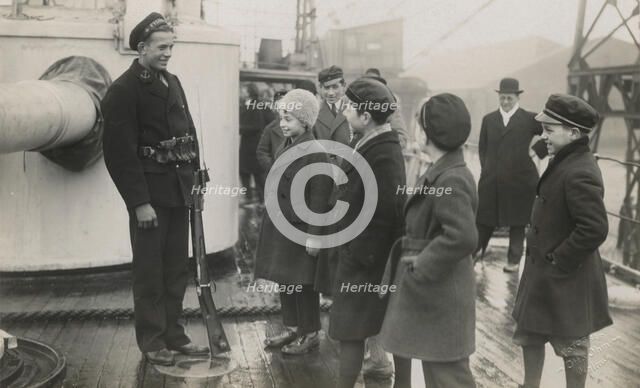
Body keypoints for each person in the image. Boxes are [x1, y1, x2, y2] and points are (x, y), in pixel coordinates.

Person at [101, 12, 208, 366]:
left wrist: (197, 183)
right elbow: (119, 155)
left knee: (176, 267)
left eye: (171, 47)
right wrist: (139, 203)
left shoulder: (171, 81)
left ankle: (174, 335)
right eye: (162, 47)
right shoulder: (123, 90)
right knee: (150, 271)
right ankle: (152, 341)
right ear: (142, 48)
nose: (167, 53)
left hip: (179, 193)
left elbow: (189, 136)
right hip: (150, 198)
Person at [512, 94, 612, 388]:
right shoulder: (565, 160)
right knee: (530, 335)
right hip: (542, 274)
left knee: (573, 347)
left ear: (574, 133)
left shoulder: (580, 170)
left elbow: (594, 228)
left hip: (565, 277)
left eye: (549, 130)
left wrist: (558, 259)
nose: (543, 136)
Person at [379, 93, 478, 388]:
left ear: (428, 132)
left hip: (441, 291)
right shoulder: (443, 170)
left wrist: (422, 264)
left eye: (419, 124)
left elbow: (462, 236)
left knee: (449, 376)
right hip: (435, 291)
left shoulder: (451, 179)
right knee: (439, 374)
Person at [329, 78, 406, 388]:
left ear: (366, 116)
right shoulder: (368, 143)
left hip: (366, 262)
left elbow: (387, 212)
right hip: (359, 256)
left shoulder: (384, 153)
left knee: (351, 331)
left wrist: (359, 255)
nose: (344, 110)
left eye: (349, 106)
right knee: (351, 329)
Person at [254, 89, 333, 355]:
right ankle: (292, 327)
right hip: (283, 228)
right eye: (281, 118)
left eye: (288, 119)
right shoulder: (285, 145)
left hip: (301, 230)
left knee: (303, 283)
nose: (282, 124)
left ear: (306, 121)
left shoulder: (316, 152)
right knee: (285, 279)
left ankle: (310, 332)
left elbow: (320, 199)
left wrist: (314, 235)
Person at [476, 77, 546, 272]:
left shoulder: (530, 119)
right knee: (484, 219)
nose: (506, 102)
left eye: (510, 98)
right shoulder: (489, 120)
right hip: (492, 179)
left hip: (521, 180)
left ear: (517, 98)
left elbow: (551, 132)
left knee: (518, 221)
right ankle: (474, 255)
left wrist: (537, 151)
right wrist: (488, 169)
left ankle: (513, 261)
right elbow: (482, 148)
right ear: (499, 97)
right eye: (503, 98)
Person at [239, 83, 270, 202]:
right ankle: (258, 199)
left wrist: (240, 128)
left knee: (251, 173)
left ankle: (254, 199)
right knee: (253, 173)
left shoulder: (253, 105)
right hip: (252, 145)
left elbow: (256, 125)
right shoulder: (253, 104)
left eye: (244, 90)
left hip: (251, 145)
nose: (242, 92)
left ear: (249, 92)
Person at [256, 89, 287, 174]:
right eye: (280, 107)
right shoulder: (270, 129)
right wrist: (272, 167)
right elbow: (261, 152)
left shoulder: (299, 126)